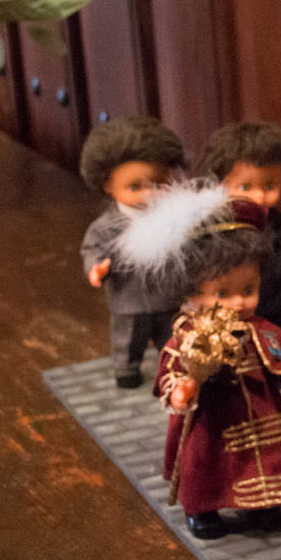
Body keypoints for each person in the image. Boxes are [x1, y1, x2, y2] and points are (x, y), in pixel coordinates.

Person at [116, 182, 281, 540]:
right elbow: (171, 368)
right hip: (212, 415)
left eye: (248, 290)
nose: (239, 303)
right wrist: (181, 388)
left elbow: (279, 357)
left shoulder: (261, 329)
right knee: (206, 462)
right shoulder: (187, 336)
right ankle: (203, 509)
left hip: (259, 407)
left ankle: (265, 503)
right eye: (223, 294)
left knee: (269, 453)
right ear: (191, 292)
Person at [195, 121, 281, 340]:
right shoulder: (217, 227)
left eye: (270, 186)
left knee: (279, 343)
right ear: (219, 184)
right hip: (231, 303)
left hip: (278, 302)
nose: (259, 197)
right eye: (245, 187)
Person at [78, 116, 186, 388]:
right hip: (128, 297)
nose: (148, 195)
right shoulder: (106, 227)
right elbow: (93, 249)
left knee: (172, 335)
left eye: (159, 185)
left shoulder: (172, 217)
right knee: (128, 338)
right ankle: (126, 368)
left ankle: (175, 364)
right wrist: (98, 267)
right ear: (107, 185)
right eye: (135, 187)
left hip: (168, 294)